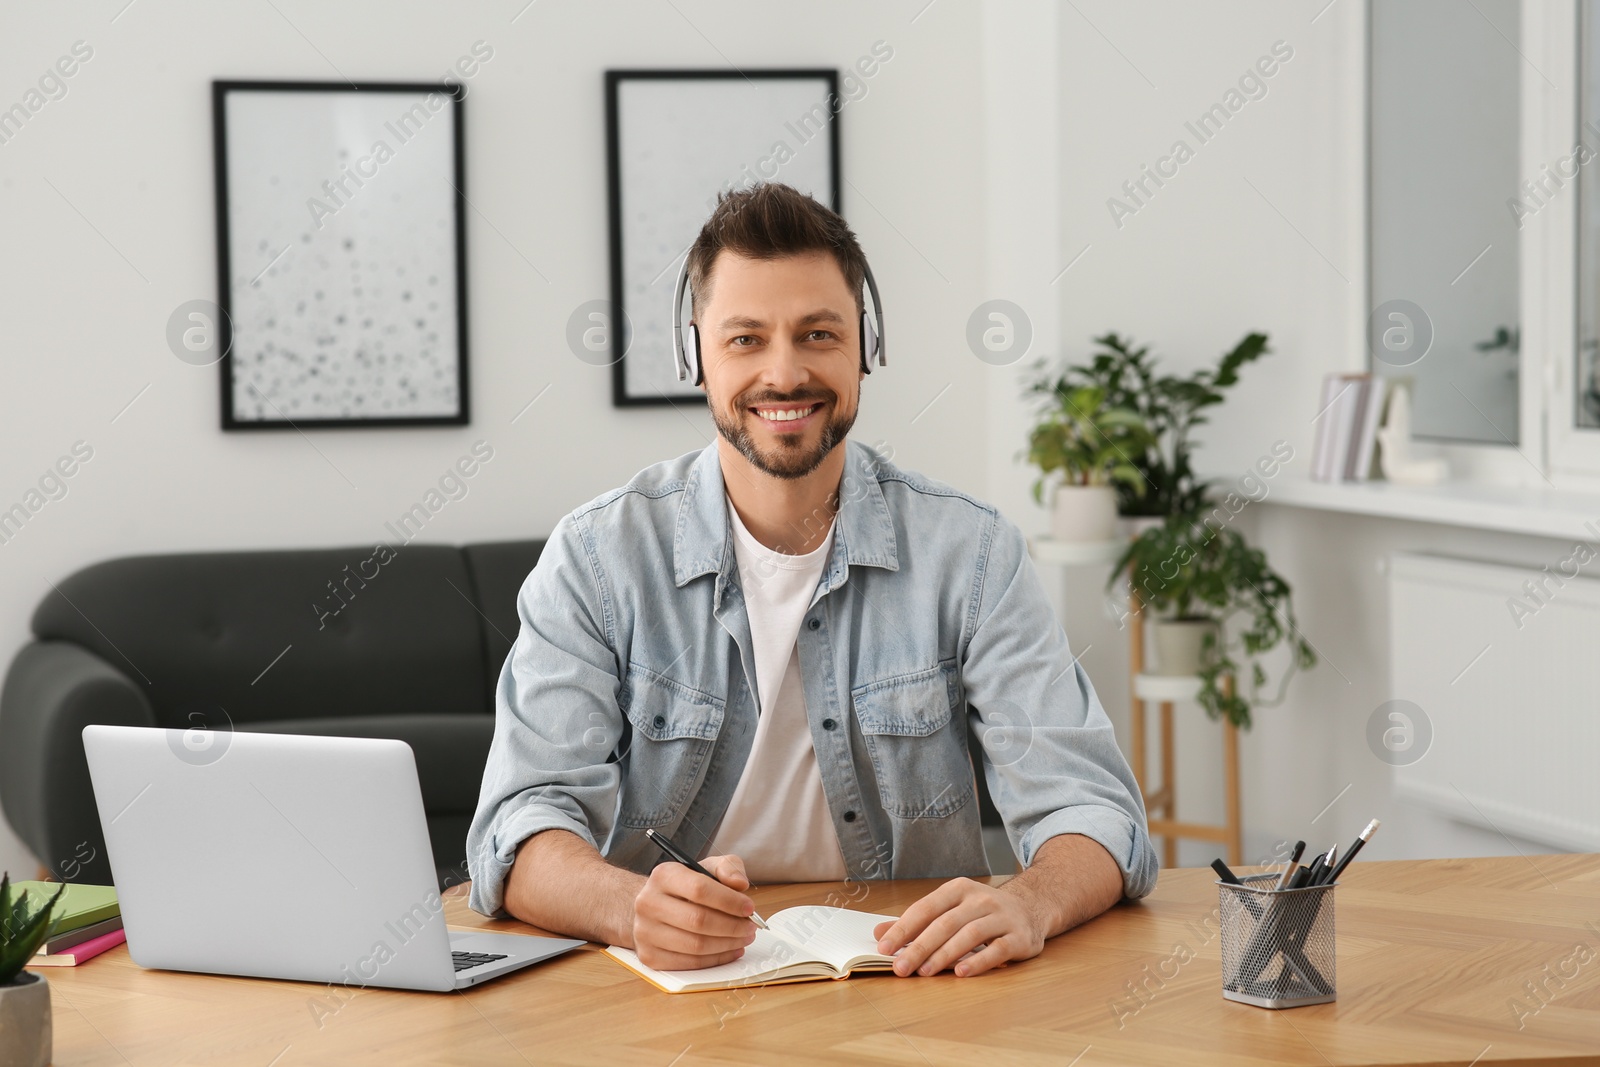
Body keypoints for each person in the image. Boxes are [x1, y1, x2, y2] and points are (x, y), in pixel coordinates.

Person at [467, 181, 1156, 979]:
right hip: (661, 1003)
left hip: (912, 986)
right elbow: (519, 828)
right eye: (746, 338)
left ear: (865, 345)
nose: (785, 373)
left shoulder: (971, 553)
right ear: (696, 355)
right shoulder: (595, 556)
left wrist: (1028, 901)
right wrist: (634, 908)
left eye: (818, 333)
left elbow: (1093, 810)